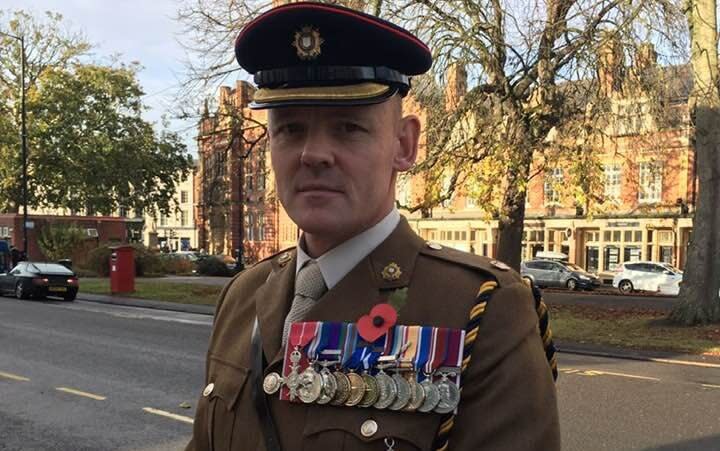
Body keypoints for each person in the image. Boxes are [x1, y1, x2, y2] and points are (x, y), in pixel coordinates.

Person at [186, 3, 559, 451]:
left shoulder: (484, 310)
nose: (313, 154)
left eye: (348, 128)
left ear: (404, 145)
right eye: (290, 129)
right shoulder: (242, 296)